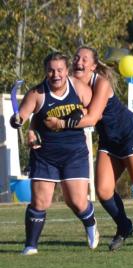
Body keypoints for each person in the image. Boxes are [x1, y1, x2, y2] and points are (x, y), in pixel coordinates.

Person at [44, 46, 133, 252]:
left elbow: (92, 117)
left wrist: (60, 124)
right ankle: (125, 226)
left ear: (93, 66)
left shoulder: (101, 83)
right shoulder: (70, 86)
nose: (79, 62)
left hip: (131, 135)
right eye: (77, 58)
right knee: (103, 191)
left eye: (85, 59)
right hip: (109, 141)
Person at [10, 52, 100, 255]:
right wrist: (17, 121)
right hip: (45, 154)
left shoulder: (78, 87)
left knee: (76, 202)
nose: (56, 74)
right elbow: (21, 116)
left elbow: (94, 112)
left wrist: (81, 114)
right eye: (51, 70)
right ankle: (31, 245)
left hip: (74, 152)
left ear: (66, 71)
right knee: (40, 202)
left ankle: (91, 223)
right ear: (46, 71)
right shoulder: (37, 93)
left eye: (60, 70)